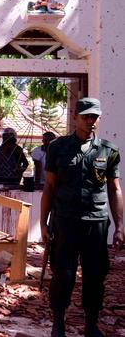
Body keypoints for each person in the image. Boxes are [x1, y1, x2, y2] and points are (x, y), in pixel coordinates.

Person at [40, 98, 124, 337]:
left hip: (96, 224)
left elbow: (114, 189)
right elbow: (49, 189)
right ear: (74, 117)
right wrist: (43, 224)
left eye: (94, 117)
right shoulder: (57, 147)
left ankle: (91, 324)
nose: (90, 121)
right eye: (86, 116)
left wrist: (119, 227)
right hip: (65, 222)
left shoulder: (109, 150)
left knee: (95, 276)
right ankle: (58, 323)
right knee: (63, 274)